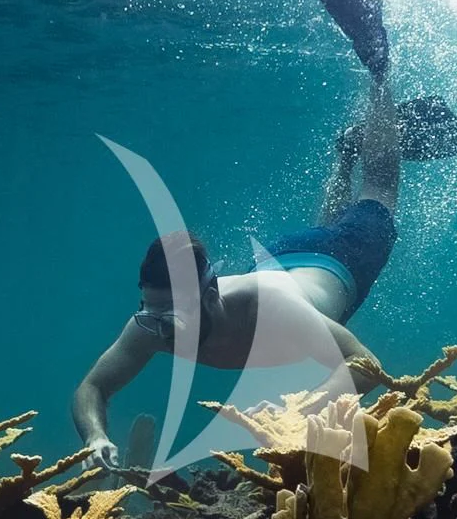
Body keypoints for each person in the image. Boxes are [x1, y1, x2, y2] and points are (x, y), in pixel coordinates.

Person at [72, 79, 406, 472]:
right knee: (329, 222)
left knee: (378, 192)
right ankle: (346, 155)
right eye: (152, 314)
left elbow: (364, 363)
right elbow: (92, 388)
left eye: (173, 317)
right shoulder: (151, 324)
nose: (162, 331)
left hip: (342, 261)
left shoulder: (269, 309)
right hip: (284, 257)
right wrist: (96, 437)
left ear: (211, 294)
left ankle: (379, 74)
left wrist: (301, 412)